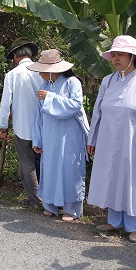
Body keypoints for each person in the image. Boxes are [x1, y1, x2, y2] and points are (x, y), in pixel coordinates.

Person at [87, 35, 136, 243]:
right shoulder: (108, 81)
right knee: (112, 177)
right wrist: (92, 139)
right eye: (113, 55)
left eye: (120, 55)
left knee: (132, 182)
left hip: (134, 142)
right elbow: (98, 112)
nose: (115, 59)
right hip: (107, 139)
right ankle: (114, 221)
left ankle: (135, 226)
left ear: (133, 56)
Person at [28, 49, 89, 221]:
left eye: (41, 69)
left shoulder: (72, 83)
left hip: (70, 135)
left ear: (52, 70)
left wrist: (50, 97)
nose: (39, 73)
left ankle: (72, 210)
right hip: (49, 135)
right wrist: (37, 139)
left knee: (69, 168)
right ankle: (50, 205)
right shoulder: (44, 87)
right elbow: (38, 116)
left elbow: (75, 105)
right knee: (50, 168)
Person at [0, 38, 43, 206]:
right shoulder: (42, 71)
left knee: (27, 162)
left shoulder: (13, 75)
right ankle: (46, 198)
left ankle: (36, 200)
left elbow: (5, 103)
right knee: (40, 161)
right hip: (43, 126)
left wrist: (3, 127)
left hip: (23, 126)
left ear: (16, 56)